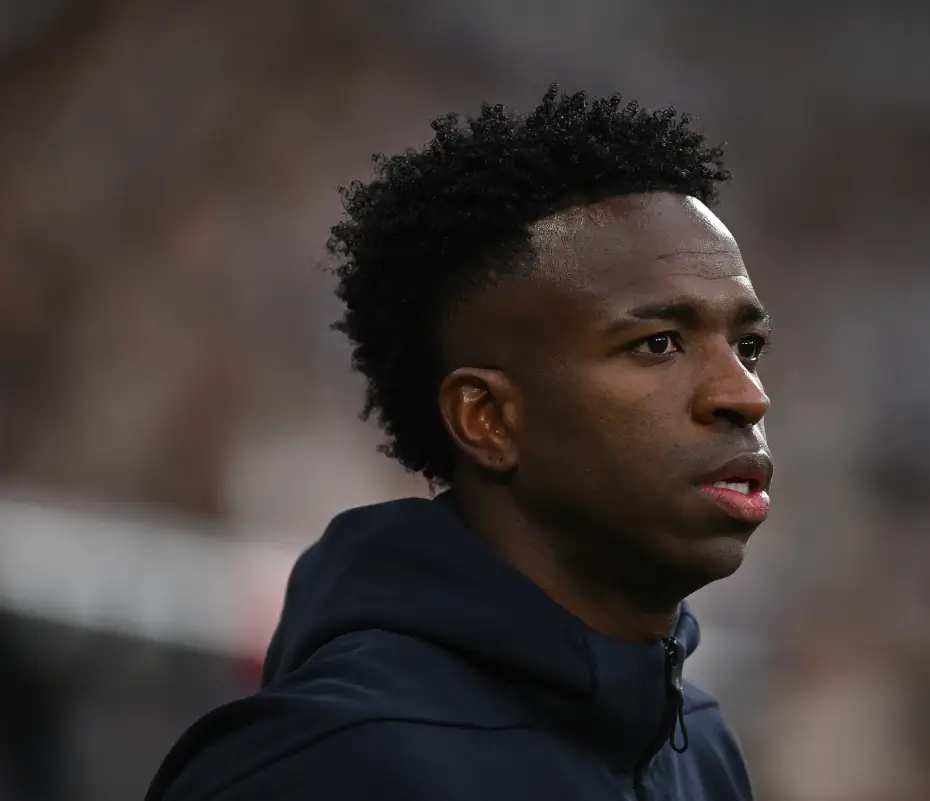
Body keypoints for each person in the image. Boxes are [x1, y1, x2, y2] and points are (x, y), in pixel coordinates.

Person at [145, 85, 774, 801]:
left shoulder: (702, 746)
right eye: (658, 343)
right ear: (488, 418)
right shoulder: (325, 762)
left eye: (748, 345)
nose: (745, 395)